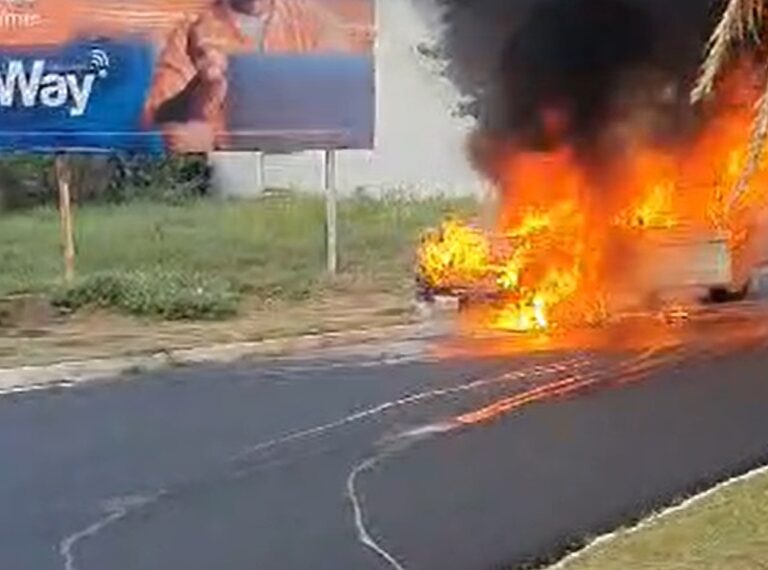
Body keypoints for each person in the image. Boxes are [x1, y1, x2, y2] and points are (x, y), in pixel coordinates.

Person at [143, 0, 359, 152]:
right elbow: (154, 118)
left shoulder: (317, 25)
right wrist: (200, 88)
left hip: (304, 161)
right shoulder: (191, 32)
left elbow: (345, 104)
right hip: (226, 169)